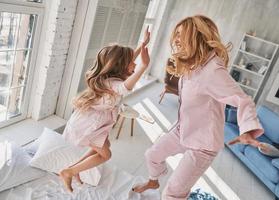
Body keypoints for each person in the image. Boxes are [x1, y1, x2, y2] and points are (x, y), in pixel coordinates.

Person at [132, 15, 264, 199]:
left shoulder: (213, 70)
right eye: (176, 34)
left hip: (204, 144)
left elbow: (242, 99)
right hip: (183, 129)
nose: (176, 39)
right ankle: (154, 180)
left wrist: (248, 130)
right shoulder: (192, 62)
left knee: (172, 193)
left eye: (181, 34)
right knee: (152, 155)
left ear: (196, 36)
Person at [60, 28, 150, 192]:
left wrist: (143, 44)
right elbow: (125, 87)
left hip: (91, 120)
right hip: (89, 125)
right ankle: (69, 172)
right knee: (106, 155)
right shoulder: (113, 84)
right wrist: (144, 66)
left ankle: (74, 170)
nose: (135, 63)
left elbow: (128, 61)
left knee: (105, 145)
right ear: (121, 66)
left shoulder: (109, 78)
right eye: (132, 63)